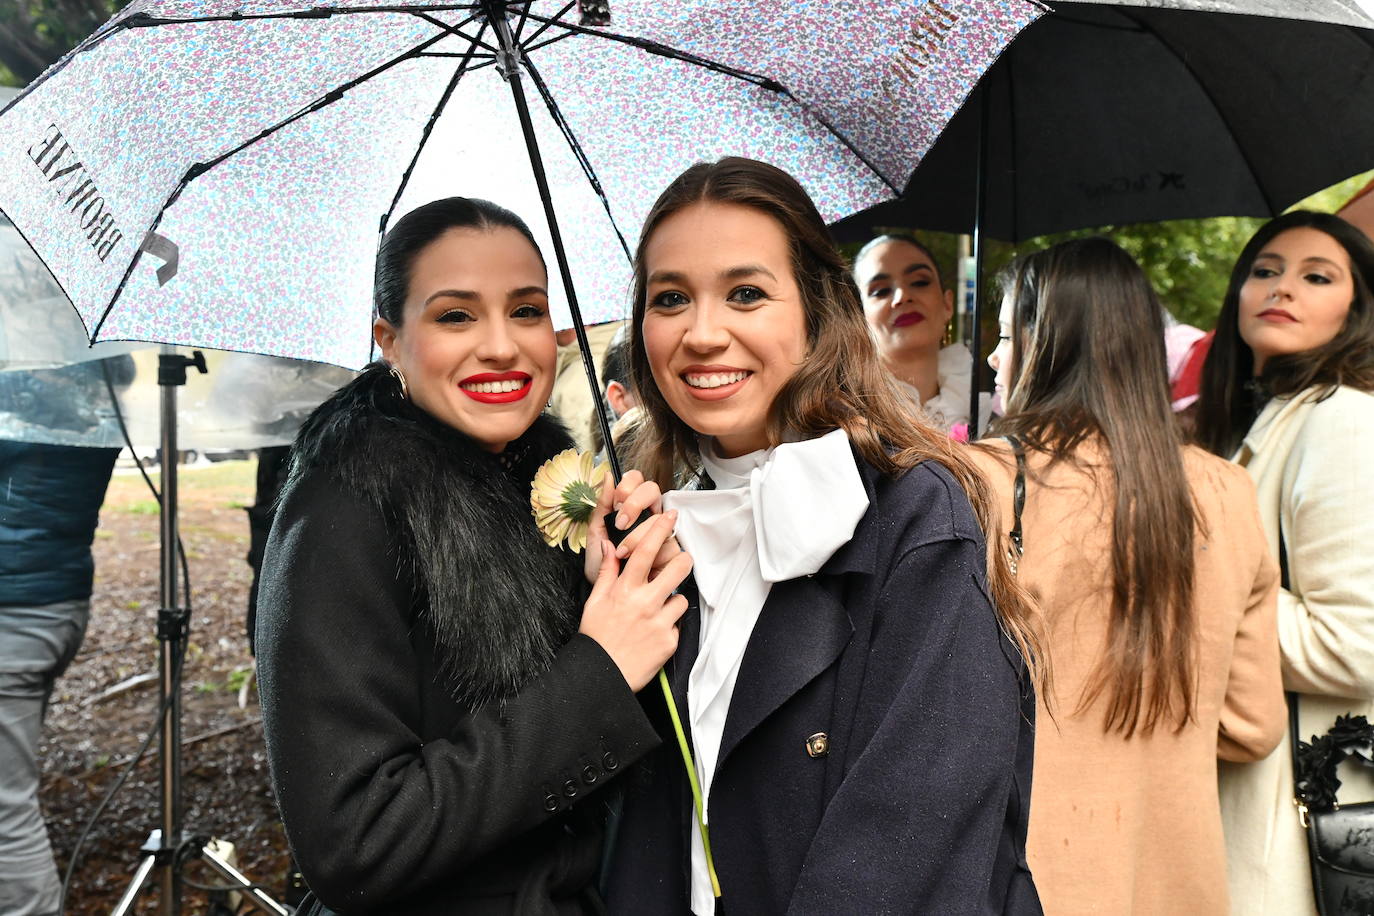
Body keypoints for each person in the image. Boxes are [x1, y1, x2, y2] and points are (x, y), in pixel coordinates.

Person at [604, 157, 1045, 914]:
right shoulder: (643, 537)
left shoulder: (915, 517)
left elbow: (906, 847)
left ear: (817, 314)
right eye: (670, 297)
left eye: (746, 293)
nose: (702, 334)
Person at [255, 197, 693, 915]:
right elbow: (354, 843)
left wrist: (611, 590)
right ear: (390, 341)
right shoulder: (344, 510)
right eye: (456, 315)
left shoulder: (550, 477)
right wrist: (601, 669)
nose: (502, 346)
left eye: (526, 311)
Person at [972, 238, 1286, 914]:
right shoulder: (1227, 492)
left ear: (1046, 346)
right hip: (1179, 885)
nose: (994, 357)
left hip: (1019, 882)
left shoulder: (979, 484)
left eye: (1004, 337)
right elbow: (1254, 723)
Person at [1195, 210, 1374, 916]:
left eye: (1316, 276)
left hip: (1301, 812)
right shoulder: (1266, 421)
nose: (1282, 288)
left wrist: (1206, 600)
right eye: (1265, 271)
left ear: (1356, 310)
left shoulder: (1341, 420)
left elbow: (1355, 643)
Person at [853, 232, 988, 437]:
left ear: (947, 304)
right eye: (880, 291)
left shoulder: (987, 413)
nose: (902, 297)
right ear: (858, 318)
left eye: (919, 282)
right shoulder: (842, 419)